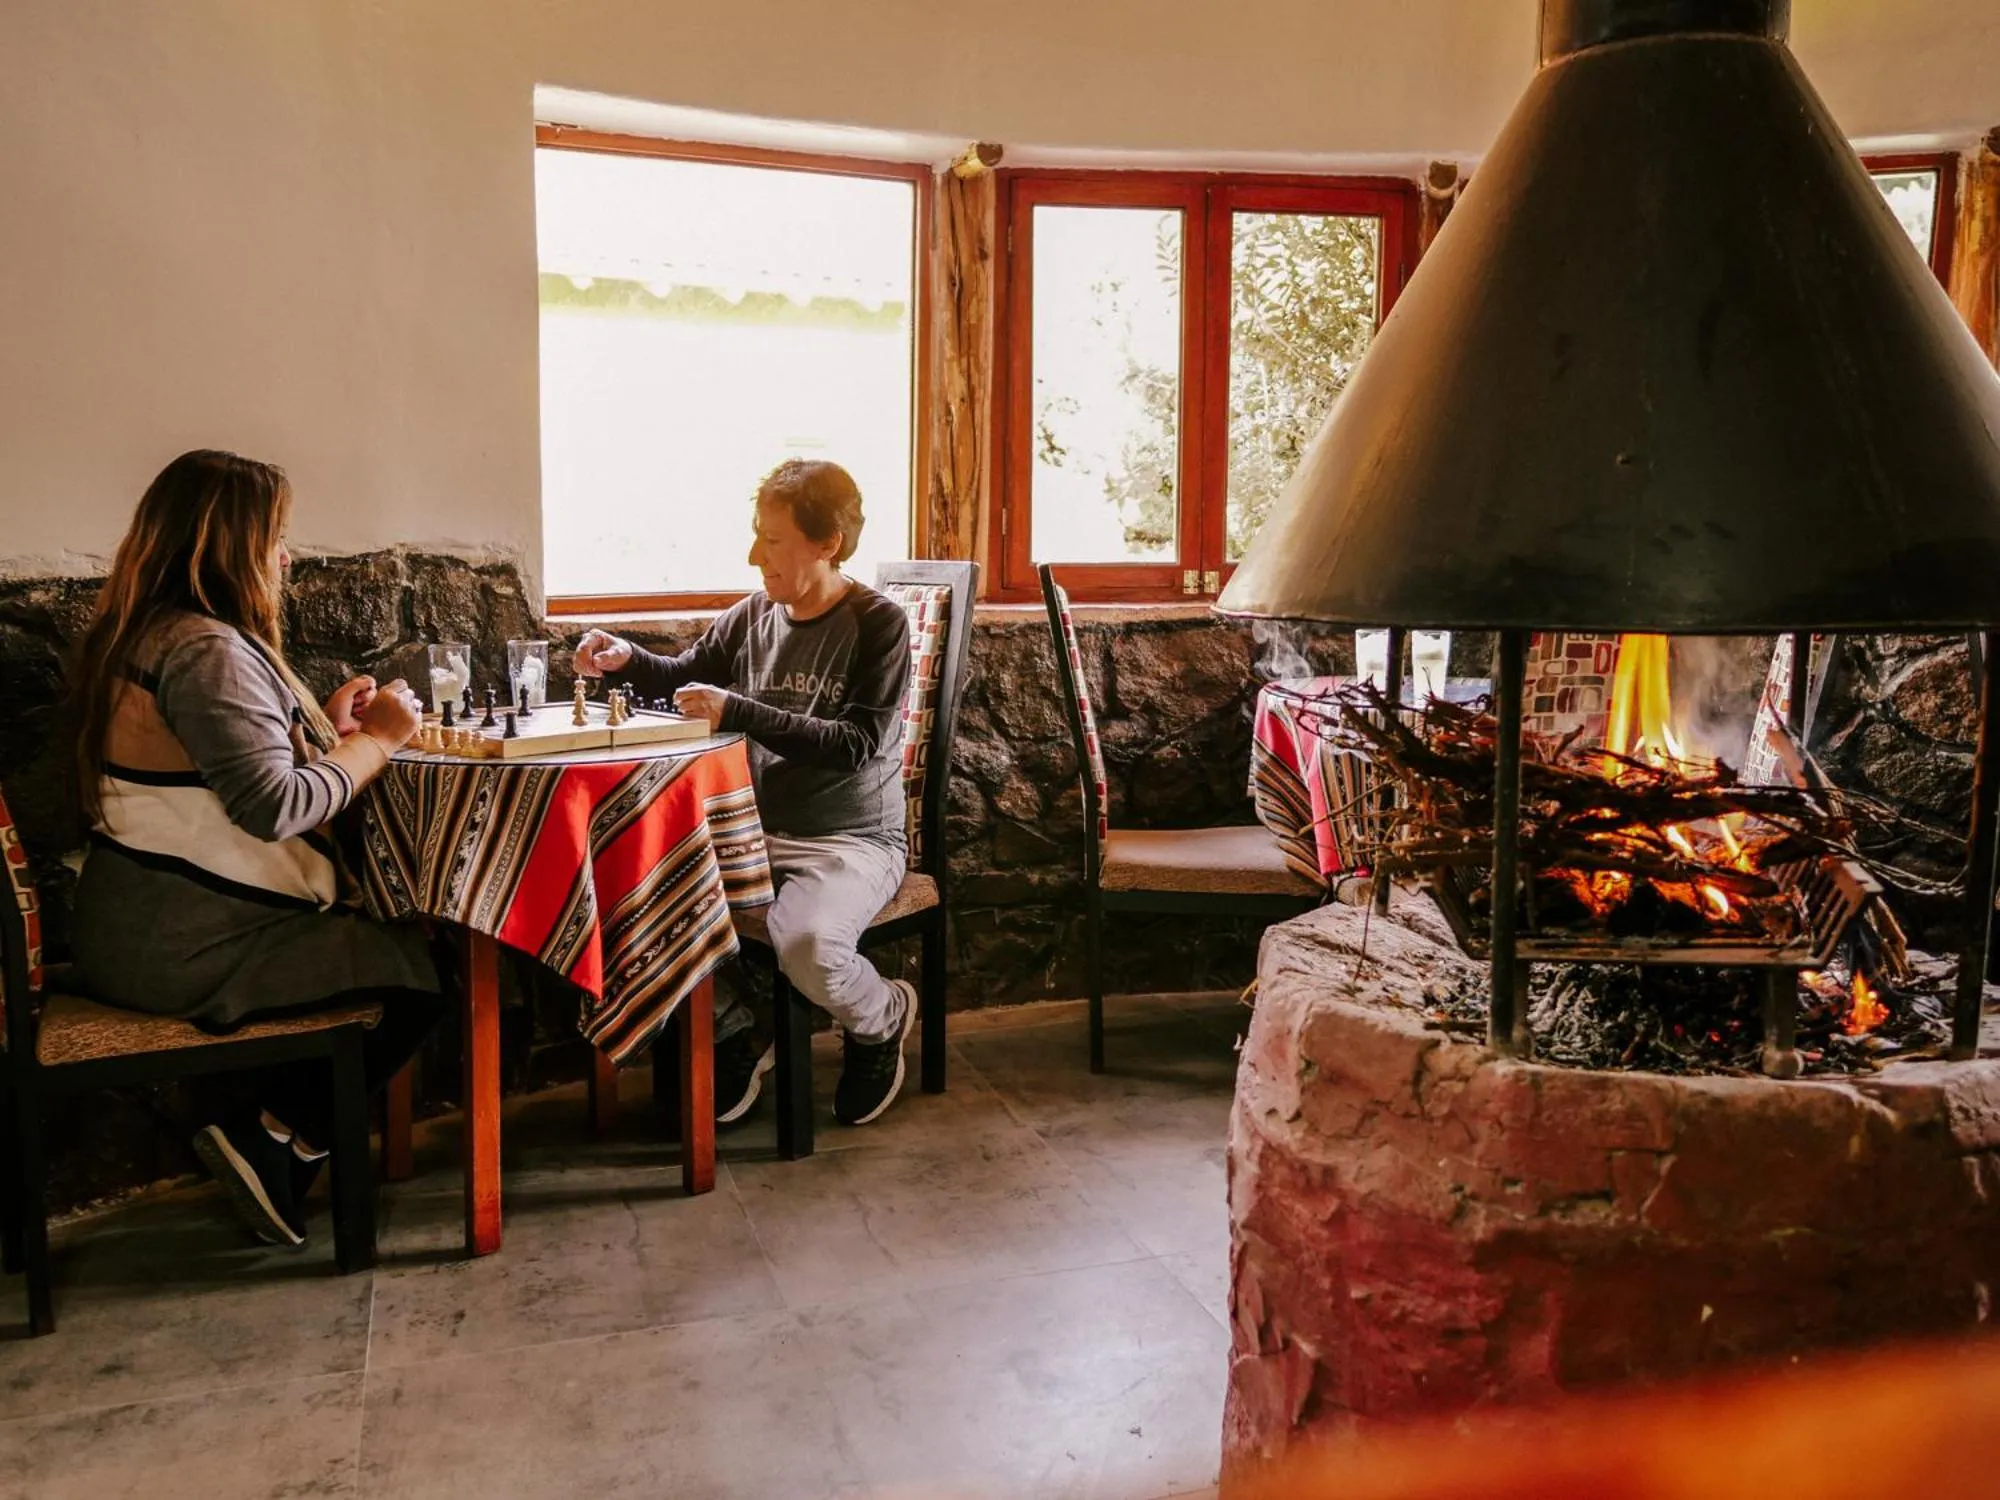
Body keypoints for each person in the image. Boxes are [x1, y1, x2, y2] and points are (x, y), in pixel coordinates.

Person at [68, 449, 443, 1248]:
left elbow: (206, 779)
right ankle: (272, 1143)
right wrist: (376, 744)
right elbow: (274, 807)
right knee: (414, 973)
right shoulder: (206, 650)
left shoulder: (149, 631)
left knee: (397, 958)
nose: (286, 557)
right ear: (232, 545)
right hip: (181, 939)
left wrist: (326, 736)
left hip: (133, 919)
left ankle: (270, 1140)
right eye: (275, 538)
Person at [574, 458, 915, 1127]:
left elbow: (856, 746)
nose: (755, 554)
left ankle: (882, 1021)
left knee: (808, 946)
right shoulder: (753, 615)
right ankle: (739, 1030)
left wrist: (740, 711)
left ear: (827, 544)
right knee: (642, 903)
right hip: (750, 832)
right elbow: (681, 679)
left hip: (853, 839)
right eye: (758, 535)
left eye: (773, 539)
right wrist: (626, 658)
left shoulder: (880, 625)